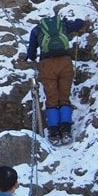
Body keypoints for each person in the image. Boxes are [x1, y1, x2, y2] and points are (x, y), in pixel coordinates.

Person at [26, 11, 88, 144]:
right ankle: (66, 130)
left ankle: (54, 132)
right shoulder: (63, 25)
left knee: (52, 98)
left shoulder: (37, 30)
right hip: (65, 62)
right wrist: (79, 20)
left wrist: (31, 57)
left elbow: (31, 52)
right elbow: (79, 24)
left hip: (47, 65)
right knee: (64, 97)